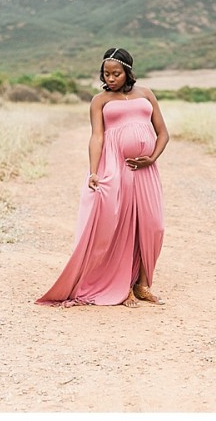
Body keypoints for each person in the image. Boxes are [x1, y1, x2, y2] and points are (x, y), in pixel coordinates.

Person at [36, 47, 169, 308]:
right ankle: (125, 287)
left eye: (116, 73)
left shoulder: (146, 94)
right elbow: (97, 136)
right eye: (106, 74)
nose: (110, 78)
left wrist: (152, 157)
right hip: (115, 167)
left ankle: (143, 284)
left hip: (145, 170)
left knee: (153, 225)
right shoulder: (100, 101)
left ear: (128, 72)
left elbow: (163, 133)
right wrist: (94, 171)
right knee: (121, 227)